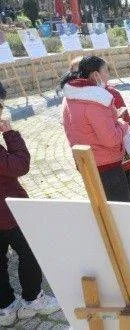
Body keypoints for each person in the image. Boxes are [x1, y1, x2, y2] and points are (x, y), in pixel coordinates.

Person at [0, 85, 60, 327]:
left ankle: (5, 307)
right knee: (29, 251)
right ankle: (32, 299)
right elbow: (19, 165)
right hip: (8, 211)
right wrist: (10, 134)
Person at [62, 56, 130, 202]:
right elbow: (111, 139)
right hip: (107, 167)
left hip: (87, 163)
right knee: (120, 210)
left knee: (102, 208)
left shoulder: (70, 96)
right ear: (95, 75)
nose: (108, 76)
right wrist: (121, 124)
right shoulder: (97, 99)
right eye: (106, 71)